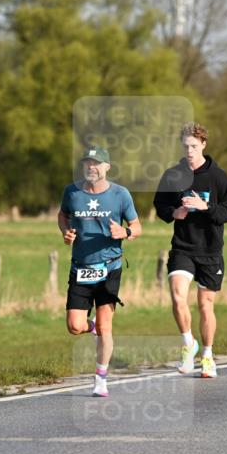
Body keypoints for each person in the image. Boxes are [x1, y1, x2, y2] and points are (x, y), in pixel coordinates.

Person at [153, 122, 227, 378]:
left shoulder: (218, 177)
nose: (189, 151)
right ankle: (188, 344)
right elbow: (160, 205)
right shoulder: (172, 175)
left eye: (194, 146)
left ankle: (208, 355)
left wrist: (204, 207)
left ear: (203, 145)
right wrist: (174, 212)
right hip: (183, 247)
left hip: (210, 249)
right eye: (185, 146)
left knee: (205, 305)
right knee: (178, 296)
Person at [59, 146, 142, 396]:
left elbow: (137, 226)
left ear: (107, 167)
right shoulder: (72, 192)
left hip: (110, 267)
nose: (91, 167)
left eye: (96, 163)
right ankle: (90, 326)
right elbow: (63, 215)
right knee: (75, 326)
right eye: (87, 163)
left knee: (107, 327)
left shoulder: (120, 194)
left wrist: (125, 232)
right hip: (80, 268)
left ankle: (100, 378)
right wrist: (65, 231)